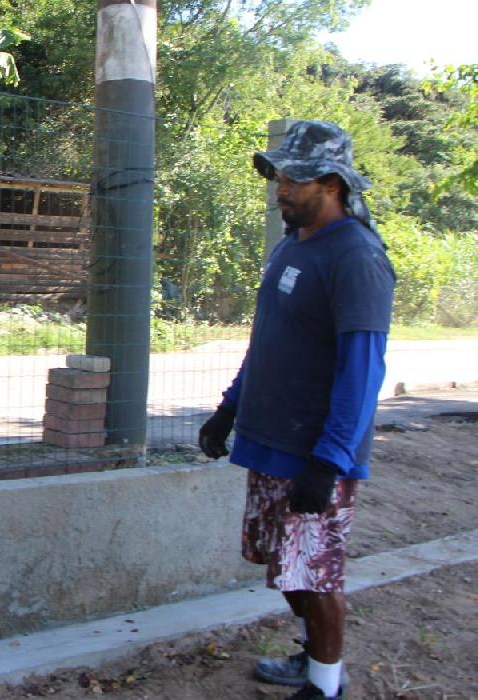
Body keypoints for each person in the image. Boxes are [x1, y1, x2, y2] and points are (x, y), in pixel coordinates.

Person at [198, 121, 396, 700]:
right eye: (279, 177)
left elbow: (362, 371)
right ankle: (314, 659)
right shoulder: (294, 243)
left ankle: (326, 688)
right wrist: (228, 410)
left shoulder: (357, 258)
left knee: (315, 570)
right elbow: (267, 340)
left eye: (294, 180)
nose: (280, 189)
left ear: (333, 184)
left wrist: (329, 461)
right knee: (283, 566)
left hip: (313, 451)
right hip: (269, 438)